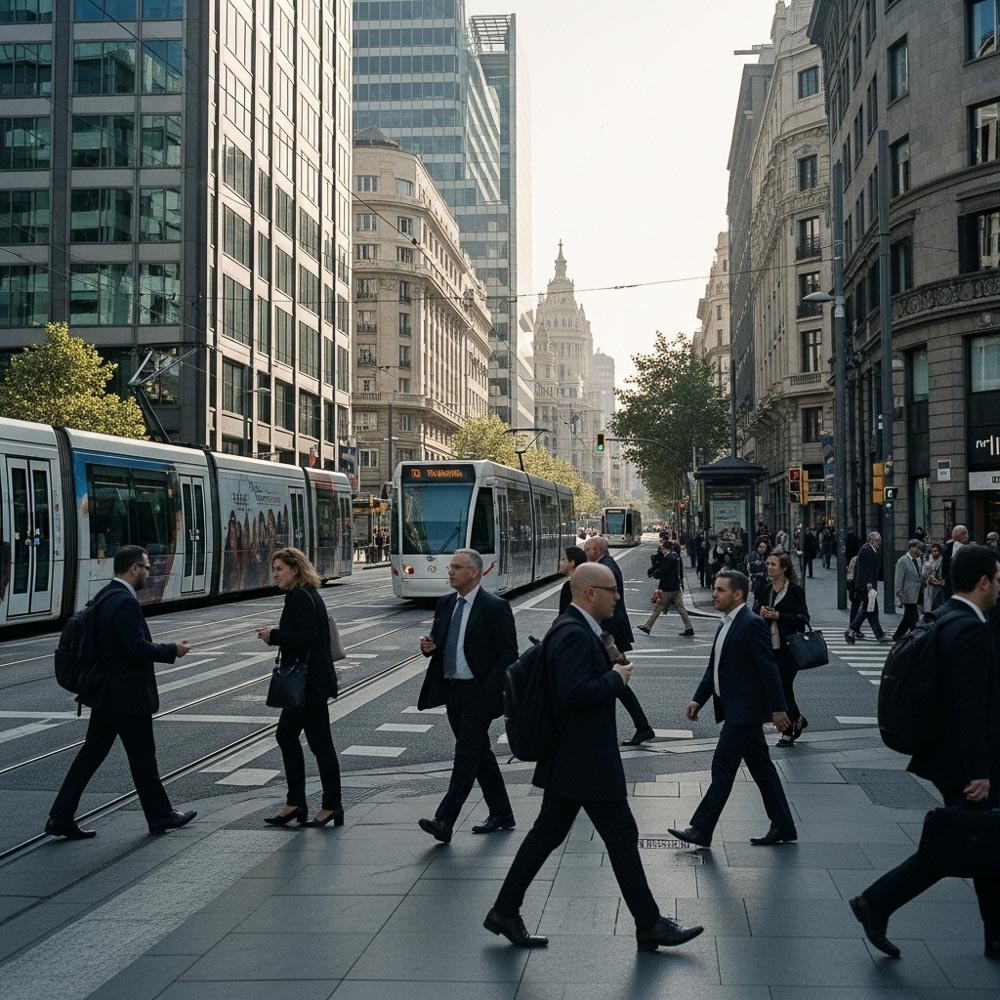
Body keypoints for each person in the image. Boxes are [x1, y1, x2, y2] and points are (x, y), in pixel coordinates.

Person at [484, 563, 704, 952]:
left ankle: (505, 910)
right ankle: (649, 924)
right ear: (589, 593)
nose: (618, 597)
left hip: (573, 759)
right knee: (617, 836)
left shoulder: (576, 627)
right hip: (584, 759)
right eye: (612, 590)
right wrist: (615, 680)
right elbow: (573, 693)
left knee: (550, 835)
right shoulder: (571, 632)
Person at [849, 544, 1000, 961]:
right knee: (957, 846)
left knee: (984, 844)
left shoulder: (945, 616)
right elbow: (969, 706)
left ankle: (995, 936)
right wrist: (979, 770)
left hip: (945, 753)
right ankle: (875, 902)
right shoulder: (969, 628)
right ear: (984, 582)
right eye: (998, 579)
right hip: (964, 760)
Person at [46, 546, 196, 839]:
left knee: (90, 757)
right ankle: (160, 816)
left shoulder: (105, 596)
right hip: (126, 697)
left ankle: (60, 816)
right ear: (133, 569)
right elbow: (135, 648)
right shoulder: (124, 602)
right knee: (143, 760)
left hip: (105, 695)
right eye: (147, 568)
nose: (149, 573)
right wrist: (172, 650)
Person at [668, 570, 795, 848]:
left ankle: (702, 828)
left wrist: (778, 708)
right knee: (763, 770)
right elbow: (715, 668)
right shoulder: (724, 624)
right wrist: (697, 699)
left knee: (722, 766)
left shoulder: (751, 624)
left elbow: (769, 669)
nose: (714, 594)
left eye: (720, 590)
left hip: (745, 712)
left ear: (738, 594)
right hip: (738, 710)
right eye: (715, 588)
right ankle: (783, 824)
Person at [416, 548, 517, 843]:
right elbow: (439, 641)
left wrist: (488, 692)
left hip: (478, 693)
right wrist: (429, 647)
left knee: (465, 756)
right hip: (452, 691)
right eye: (450, 567)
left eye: (456, 568)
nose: (450, 572)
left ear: (474, 572)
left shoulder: (495, 607)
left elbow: (509, 653)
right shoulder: (446, 604)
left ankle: (444, 820)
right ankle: (502, 813)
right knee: (479, 754)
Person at [257, 547, 342, 827]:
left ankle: (326, 804)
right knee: (292, 737)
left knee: (317, 744)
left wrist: (274, 635)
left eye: (280, 569)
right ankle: (298, 802)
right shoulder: (306, 594)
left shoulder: (298, 596)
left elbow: (307, 636)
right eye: (274, 569)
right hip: (311, 683)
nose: (275, 574)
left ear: (294, 569)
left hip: (309, 685)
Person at [583, 536, 654, 746]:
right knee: (615, 682)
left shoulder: (606, 569)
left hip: (609, 633)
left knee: (614, 682)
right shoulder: (607, 565)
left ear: (596, 549)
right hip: (610, 634)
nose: (585, 552)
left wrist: (610, 645)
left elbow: (609, 609)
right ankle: (642, 727)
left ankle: (641, 727)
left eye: (588, 549)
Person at [754, 551, 810, 747]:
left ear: (784, 568)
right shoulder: (765, 587)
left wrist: (778, 615)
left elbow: (803, 618)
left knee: (783, 688)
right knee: (777, 688)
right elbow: (755, 611)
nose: (769, 567)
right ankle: (798, 719)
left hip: (788, 648)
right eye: (768, 564)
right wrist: (761, 613)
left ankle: (787, 731)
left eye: (773, 565)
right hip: (768, 647)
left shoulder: (795, 591)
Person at [638, 541, 694, 637]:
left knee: (659, 607)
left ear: (666, 549)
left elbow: (663, 571)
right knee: (681, 608)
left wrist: (653, 574)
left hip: (669, 588)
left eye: (662, 549)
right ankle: (689, 627)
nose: (662, 551)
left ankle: (647, 626)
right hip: (676, 586)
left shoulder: (668, 558)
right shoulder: (675, 556)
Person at [845, 531, 891, 645]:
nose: (879, 543)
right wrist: (869, 584)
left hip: (867, 585)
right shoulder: (867, 550)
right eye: (878, 541)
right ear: (872, 540)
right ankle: (852, 628)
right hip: (867, 587)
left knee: (871, 610)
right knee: (869, 609)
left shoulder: (868, 549)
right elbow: (866, 569)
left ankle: (878, 634)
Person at [892, 539, 924, 642]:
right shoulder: (903, 560)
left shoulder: (918, 560)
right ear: (911, 548)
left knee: (908, 617)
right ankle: (913, 635)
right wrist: (898, 591)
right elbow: (899, 577)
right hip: (907, 592)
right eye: (916, 547)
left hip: (917, 591)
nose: (918, 550)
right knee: (913, 616)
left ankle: (898, 635)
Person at [940, 523, 971, 600]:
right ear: (961, 535)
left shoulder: (947, 549)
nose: (967, 536)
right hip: (959, 585)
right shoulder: (966, 549)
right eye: (965, 533)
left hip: (951, 584)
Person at [558, 544, 588, 614]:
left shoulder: (569, 586)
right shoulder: (586, 581)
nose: (560, 562)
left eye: (563, 559)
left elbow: (564, 613)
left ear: (572, 563)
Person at [922, 542, 945, 613]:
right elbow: (924, 575)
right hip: (930, 585)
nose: (935, 552)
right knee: (929, 602)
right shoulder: (928, 561)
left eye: (936, 551)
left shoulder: (943, 560)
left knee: (939, 602)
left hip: (940, 585)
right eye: (933, 551)